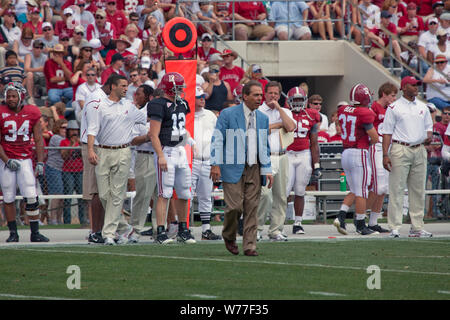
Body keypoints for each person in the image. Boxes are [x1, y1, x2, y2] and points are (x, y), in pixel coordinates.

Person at [210, 80, 273, 256]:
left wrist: (267, 168)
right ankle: (229, 235)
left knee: (252, 208)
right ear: (245, 96)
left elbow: (264, 145)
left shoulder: (263, 118)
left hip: (254, 167)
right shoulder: (228, 114)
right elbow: (217, 138)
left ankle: (249, 246)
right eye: (256, 95)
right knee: (235, 207)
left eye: (261, 95)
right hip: (231, 166)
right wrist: (215, 163)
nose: (260, 98)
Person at [87, 74, 146, 245]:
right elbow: (92, 130)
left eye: (127, 86)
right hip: (103, 151)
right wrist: (91, 149)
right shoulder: (100, 106)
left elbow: (146, 119)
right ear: (113, 86)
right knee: (105, 194)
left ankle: (109, 234)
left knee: (117, 193)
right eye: (123, 85)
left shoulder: (129, 106)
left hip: (123, 152)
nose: (126, 89)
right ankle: (123, 227)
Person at [382, 76, 434, 238]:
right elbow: (387, 132)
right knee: (397, 188)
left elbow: (429, 129)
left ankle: (417, 227)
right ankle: (394, 227)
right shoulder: (394, 107)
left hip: (419, 149)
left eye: (417, 85)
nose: (416, 87)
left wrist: (427, 137)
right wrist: (385, 154)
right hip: (400, 147)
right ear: (404, 87)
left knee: (418, 190)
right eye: (413, 85)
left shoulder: (423, 107)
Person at [148, 72, 196, 245]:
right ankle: (161, 231)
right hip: (166, 150)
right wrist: (160, 155)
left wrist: (192, 143)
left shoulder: (182, 103)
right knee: (165, 192)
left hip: (181, 150)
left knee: (184, 191)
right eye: (178, 87)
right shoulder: (157, 104)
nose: (181, 90)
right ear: (169, 87)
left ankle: (184, 230)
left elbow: (182, 129)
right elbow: (153, 134)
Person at [0, 82, 49, 242]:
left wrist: (40, 162)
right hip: (7, 159)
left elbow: (39, 138)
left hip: (25, 158)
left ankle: (34, 232)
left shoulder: (32, 112)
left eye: (14, 96)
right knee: (8, 195)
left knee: (31, 194)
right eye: (8, 96)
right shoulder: (1, 111)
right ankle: (13, 233)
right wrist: (6, 161)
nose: (11, 99)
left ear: (21, 96)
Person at [333, 84, 379, 235]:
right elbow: (374, 137)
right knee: (362, 191)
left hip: (345, 152)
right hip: (359, 153)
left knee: (353, 189)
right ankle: (360, 224)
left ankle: (340, 217)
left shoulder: (342, 109)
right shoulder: (365, 112)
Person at [257, 82, 296, 240]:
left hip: (282, 155)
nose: (273, 96)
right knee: (264, 194)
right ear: (265, 94)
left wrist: (279, 110)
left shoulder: (285, 111)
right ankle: (257, 228)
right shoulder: (259, 110)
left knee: (281, 195)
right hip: (265, 155)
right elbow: (260, 130)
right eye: (270, 93)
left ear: (280, 96)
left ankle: (276, 230)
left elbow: (291, 126)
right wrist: (278, 124)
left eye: (276, 94)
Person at [284, 86, 321, 235]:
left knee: (300, 190)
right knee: (284, 191)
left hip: (304, 154)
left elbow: (314, 142)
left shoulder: (312, 115)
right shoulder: (284, 113)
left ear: (305, 101)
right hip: (287, 153)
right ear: (289, 101)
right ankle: (279, 222)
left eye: (300, 100)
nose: (298, 103)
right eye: (295, 100)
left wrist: (316, 164)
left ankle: (298, 222)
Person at [366, 82, 398, 233]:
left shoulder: (390, 109)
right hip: (376, 146)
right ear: (384, 94)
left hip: (387, 147)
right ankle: (360, 217)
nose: (394, 98)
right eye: (392, 95)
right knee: (377, 186)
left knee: (383, 188)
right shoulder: (373, 108)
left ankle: (373, 221)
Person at [128, 84, 156, 243]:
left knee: (162, 195)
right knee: (143, 195)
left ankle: (160, 228)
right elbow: (132, 139)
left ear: (148, 96)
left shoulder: (160, 112)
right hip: (144, 155)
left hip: (162, 156)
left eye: (138, 94)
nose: (135, 97)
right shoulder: (139, 115)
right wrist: (148, 136)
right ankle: (135, 229)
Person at [60, 120, 86, 225]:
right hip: (68, 172)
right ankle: (67, 222)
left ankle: (83, 220)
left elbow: (86, 155)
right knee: (68, 197)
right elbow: (64, 156)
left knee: (81, 197)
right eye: (71, 130)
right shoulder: (64, 142)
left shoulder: (81, 142)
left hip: (80, 171)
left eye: (76, 130)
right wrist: (71, 144)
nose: (74, 132)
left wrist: (80, 144)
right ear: (68, 131)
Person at [43, 44, 73, 112]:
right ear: (53, 53)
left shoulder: (67, 63)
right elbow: (52, 79)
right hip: (53, 88)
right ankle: (60, 112)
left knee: (77, 95)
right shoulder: (48, 63)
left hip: (66, 88)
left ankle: (63, 112)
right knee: (54, 98)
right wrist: (66, 78)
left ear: (63, 54)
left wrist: (62, 64)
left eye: (60, 53)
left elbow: (71, 78)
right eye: (56, 53)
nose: (58, 55)